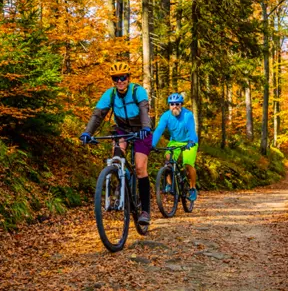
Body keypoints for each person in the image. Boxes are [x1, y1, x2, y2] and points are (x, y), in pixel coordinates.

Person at [79, 62, 154, 225]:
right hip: (122, 130)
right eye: (115, 78)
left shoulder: (137, 91)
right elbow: (98, 115)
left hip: (141, 130)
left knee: (140, 168)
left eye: (123, 77)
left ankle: (145, 211)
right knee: (116, 160)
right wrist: (87, 132)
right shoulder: (110, 94)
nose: (120, 81)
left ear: (128, 78)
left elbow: (144, 111)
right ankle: (119, 190)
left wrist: (146, 128)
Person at [151, 93, 199, 201]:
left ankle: (192, 188)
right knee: (168, 160)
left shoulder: (188, 115)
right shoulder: (166, 116)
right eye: (172, 104)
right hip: (175, 142)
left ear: (181, 104)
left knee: (187, 164)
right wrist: (152, 144)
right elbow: (159, 130)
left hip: (189, 141)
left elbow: (192, 130)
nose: (174, 106)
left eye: (177, 104)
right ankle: (169, 185)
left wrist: (191, 141)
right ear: (169, 105)